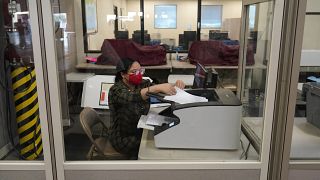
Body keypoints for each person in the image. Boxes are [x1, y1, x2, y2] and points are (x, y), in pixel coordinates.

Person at [108, 58, 185, 159]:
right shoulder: (116, 90)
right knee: (155, 143)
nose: (139, 74)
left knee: (161, 136)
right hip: (124, 137)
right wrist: (157, 88)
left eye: (140, 71)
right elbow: (133, 96)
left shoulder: (141, 83)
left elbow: (159, 89)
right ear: (123, 74)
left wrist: (175, 85)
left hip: (138, 127)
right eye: (134, 72)